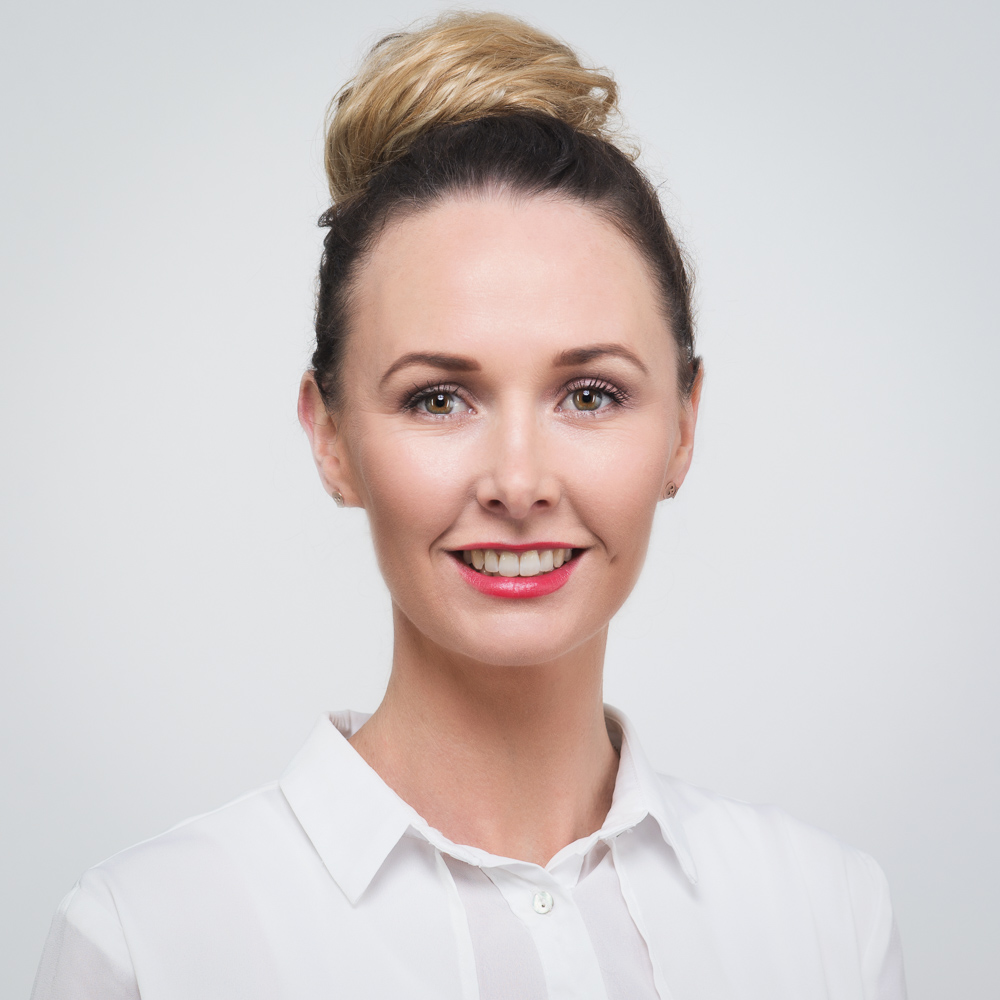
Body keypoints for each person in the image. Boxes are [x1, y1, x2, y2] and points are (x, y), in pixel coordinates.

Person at [31, 11, 907, 999]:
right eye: (438, 399)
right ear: (330, 438)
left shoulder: (825, 916)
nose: (518, 482)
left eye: (590, 395)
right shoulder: (148, 944)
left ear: (683, 426)